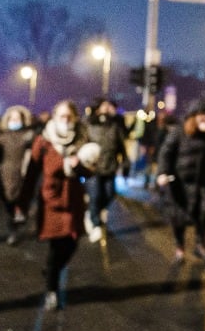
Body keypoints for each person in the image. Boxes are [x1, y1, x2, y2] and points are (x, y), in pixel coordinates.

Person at [19, 100, 96, 311]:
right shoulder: (43, 142)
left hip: (73, 201)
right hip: (51, 201)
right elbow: (32, 174)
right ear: (54, 117)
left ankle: (51, 271)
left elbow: (90, 171)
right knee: (55, 247)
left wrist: (79, 166)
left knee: (71, 244)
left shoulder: (82, 139)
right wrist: (22, 204)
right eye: (61, 116)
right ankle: (51, 290)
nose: (65, 120)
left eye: (69, 116)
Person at [157, 102, 205, 262]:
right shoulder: (179, 132)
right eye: (201, 114)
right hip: (181, 182)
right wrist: (162, 172)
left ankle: (201, 245)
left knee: (204, 215)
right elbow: (166, 152)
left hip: (202, 181)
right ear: (192, 116)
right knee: (179, 217)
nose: (204, 118)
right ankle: (179, 248)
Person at [0, 105, 37, 246]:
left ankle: (15, 228)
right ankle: (14, 225)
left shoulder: (29, 136)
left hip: (22, 174)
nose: (15, 120)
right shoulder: (0, 137)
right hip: (4, 174)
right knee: (8, 203)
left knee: (20, 203)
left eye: (18, 118)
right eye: (12, 118)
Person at [84, 97, 128, 243]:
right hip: (93, 168)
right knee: (95, 195)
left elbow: (121, 144)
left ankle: (95, 212)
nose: (107, 108)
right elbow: (83, 144)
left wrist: (125, 162)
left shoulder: (115, 124)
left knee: (109, 194)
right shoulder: (89, 124)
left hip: (110, 166)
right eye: (104, 106)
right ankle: (95, 222)